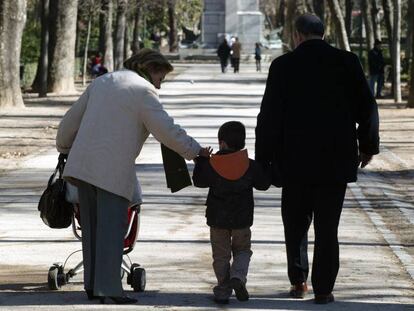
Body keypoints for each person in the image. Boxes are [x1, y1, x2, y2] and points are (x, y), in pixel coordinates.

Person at [56, 48, 209, 304]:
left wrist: (63, 147)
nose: (159, 85)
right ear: (150, 69)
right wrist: (196, 151)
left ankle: (93, 285)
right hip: (112, 171)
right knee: (112, 231)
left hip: (82, 167)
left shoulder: (103, 81)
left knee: (91, 229)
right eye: (160, 78)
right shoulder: (143, 91)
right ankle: (110, 290)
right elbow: (167, 131)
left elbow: (69, 123)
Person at [255, 14, 379, 304]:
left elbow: (269, 117)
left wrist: (264, 159)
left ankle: (299, 282)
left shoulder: (283, 66)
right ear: (324, 34)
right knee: (327, 227)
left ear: (297, 35)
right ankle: (324, 289)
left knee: (295, 223)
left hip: (294, 161)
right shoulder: (347, 62)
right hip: (335, 161)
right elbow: (368, 108)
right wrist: (367, 146)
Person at [193, 121, 271, 305]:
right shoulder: (249, 165)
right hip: (242, 220)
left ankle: (222, 290)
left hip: (217, 220)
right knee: (243, 250)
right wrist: (264, 165)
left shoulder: (213, 164)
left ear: (221, 143)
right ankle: (238, 276)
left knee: (220, 256)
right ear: (243, 143)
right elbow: (264, 184)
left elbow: (199, 181)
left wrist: (202, 160)